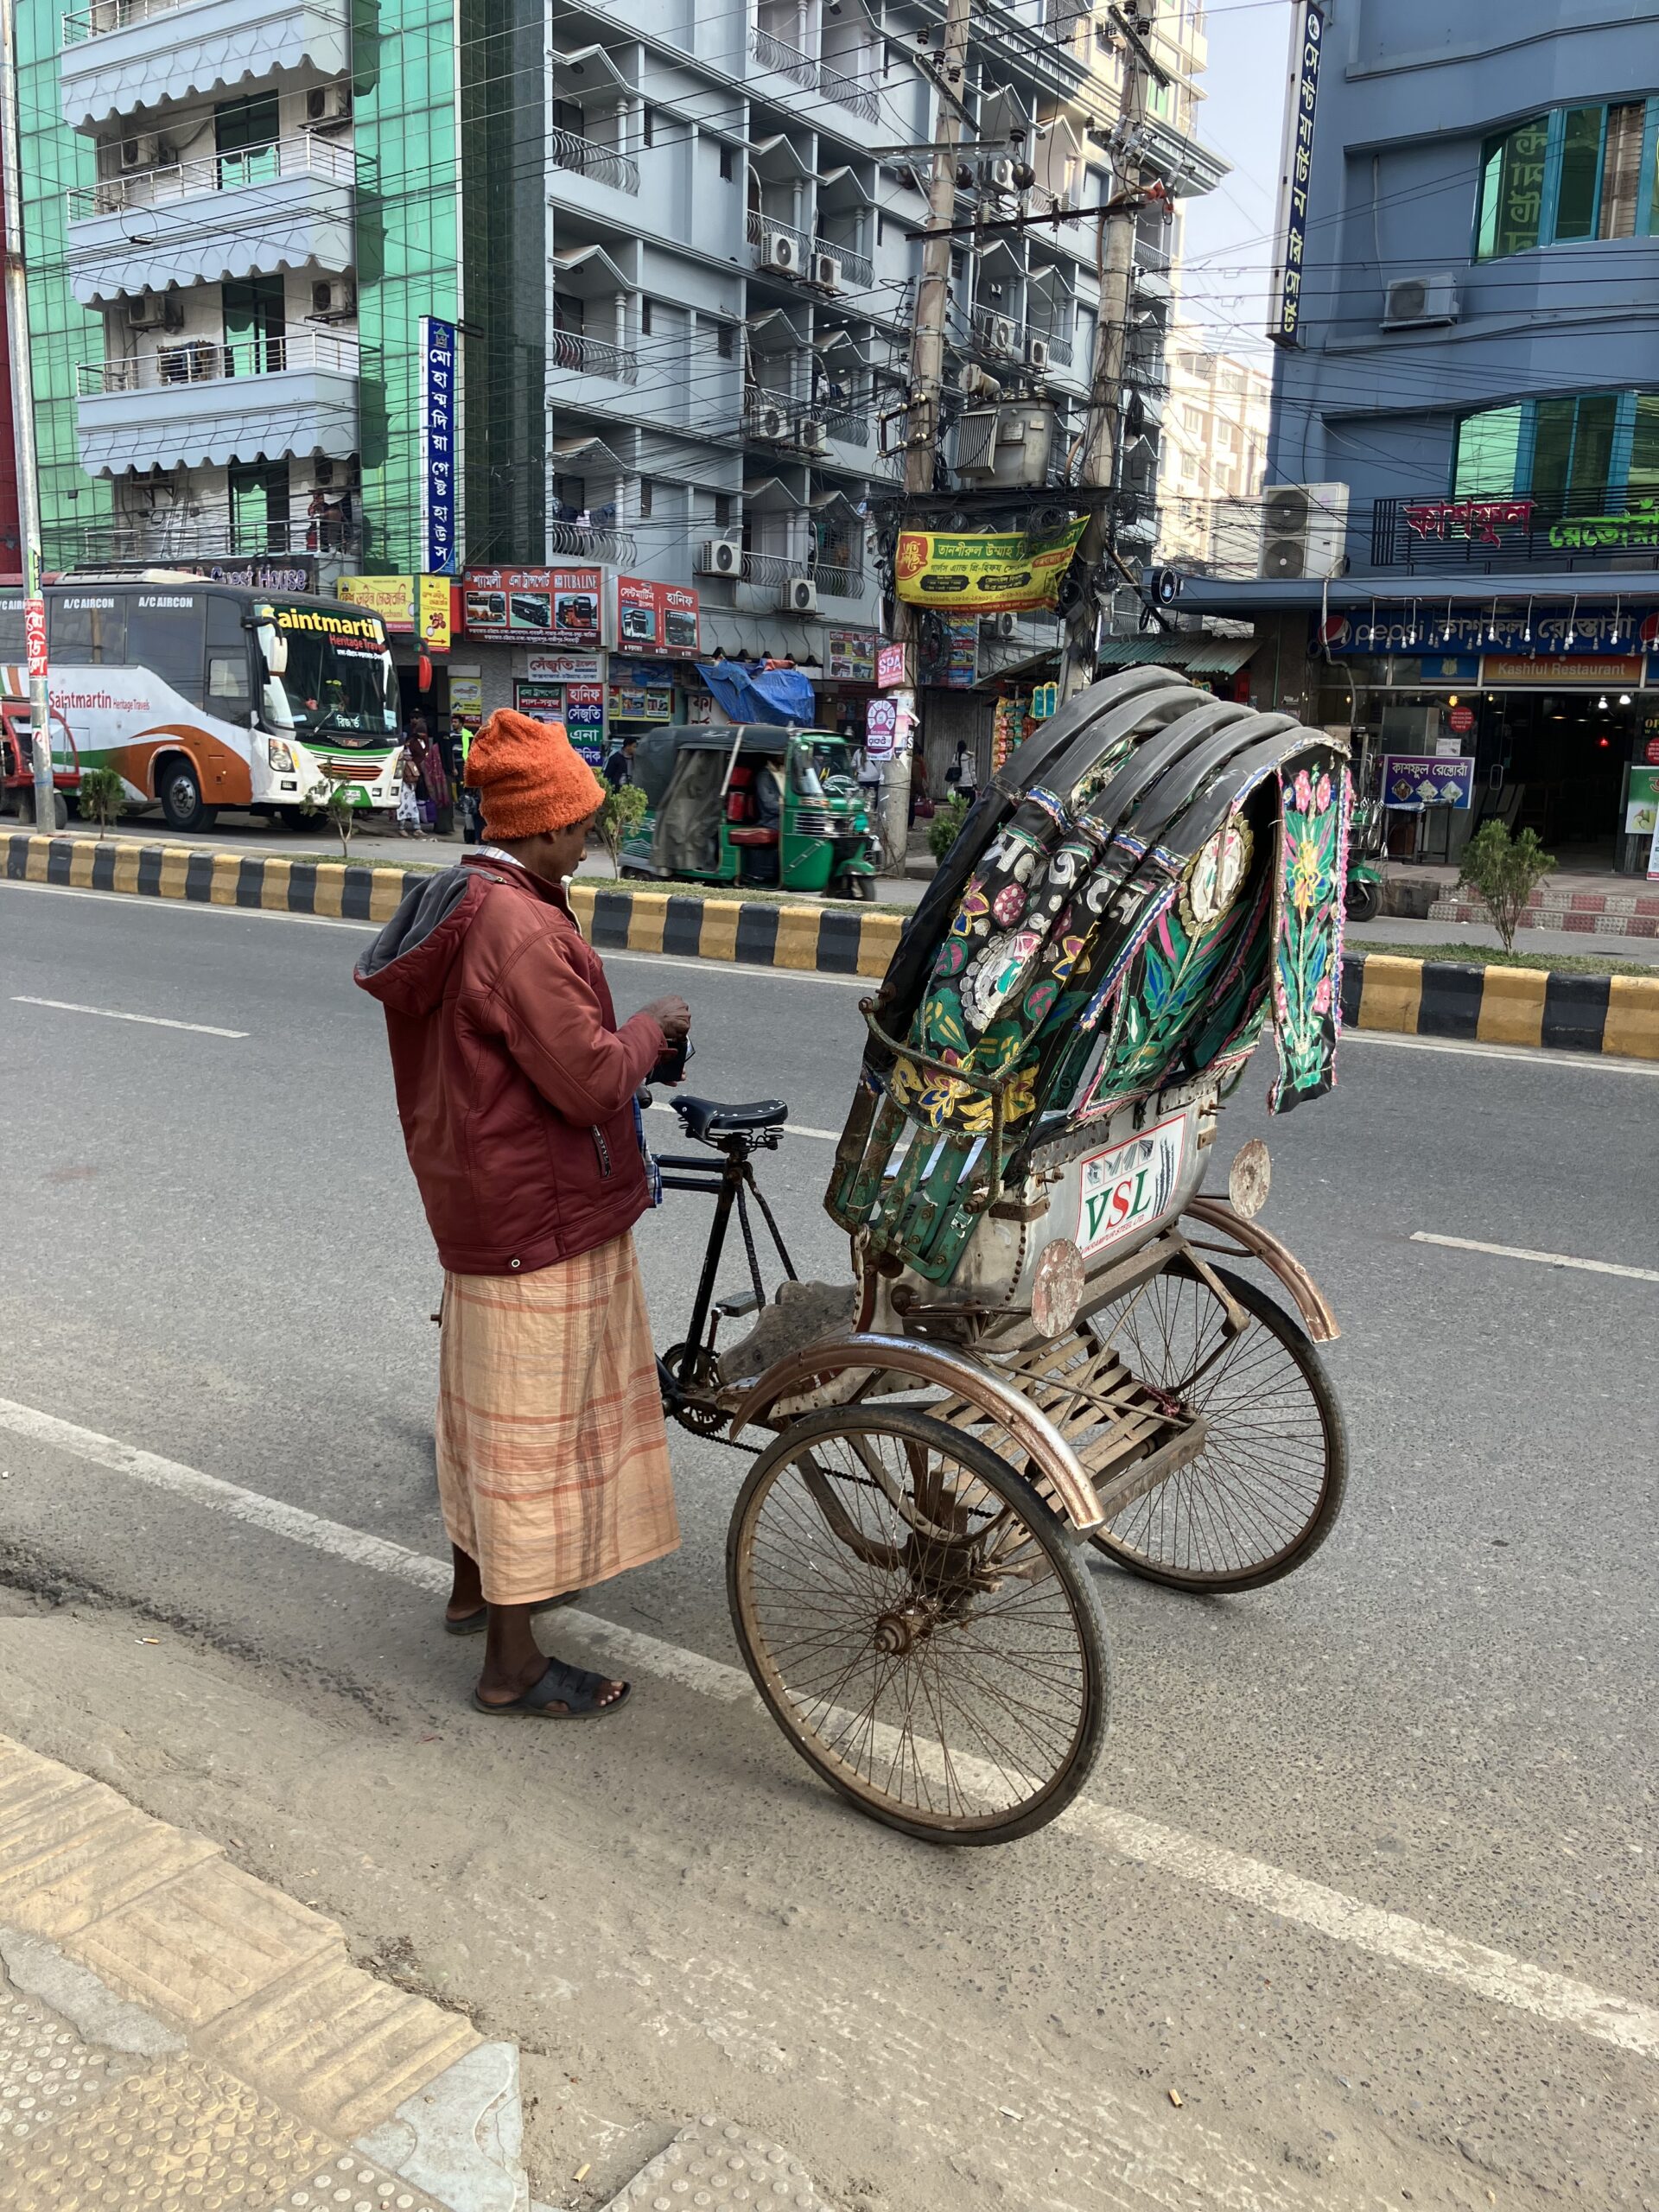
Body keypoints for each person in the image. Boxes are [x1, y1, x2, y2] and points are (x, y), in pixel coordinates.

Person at [355, 709, 690, 1719]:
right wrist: (650, 1027)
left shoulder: (465, 897)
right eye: (579, 822)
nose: (589, 838)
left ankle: (473, 1586)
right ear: (537, 828)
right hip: (539, 1218)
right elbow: (589, 1082)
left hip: (485, 1203)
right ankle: (510, 1663)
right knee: (533, 1441)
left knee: (482, 1416)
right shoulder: (522, 926)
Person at [394, 744, 425, 836]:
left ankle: (417, 828)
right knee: (402, 807)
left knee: (413, 807)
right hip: (402, 787)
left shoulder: (410, 763)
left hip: (410, 787)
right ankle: (401, 828)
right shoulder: (398, 762)